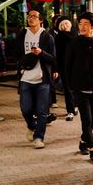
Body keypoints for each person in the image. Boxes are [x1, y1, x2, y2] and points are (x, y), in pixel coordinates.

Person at [65, 12, 93, 162]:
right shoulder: (73, 44)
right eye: (80, 24)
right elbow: (67, 66)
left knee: (92, 118)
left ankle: (83, 142)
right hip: (79, 88)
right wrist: (70, 87)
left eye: (86, 24)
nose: (82, 26)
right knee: (86, 120)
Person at [16, 9, 56, 149]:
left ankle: (39, 137)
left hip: (42, 79)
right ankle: (31, 126)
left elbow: (53, 58)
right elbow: (16, 54)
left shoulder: (46, 37)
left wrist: (41, 53)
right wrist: (19, 68)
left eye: (34, 16)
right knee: (25, 109)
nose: (31, 18)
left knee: (41, 111)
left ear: (41, 20)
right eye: (29, 16)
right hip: (25, 78)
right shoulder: (22, 35)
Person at [54, 16, 76, 121]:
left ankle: (75, 106)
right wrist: (56, 69)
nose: (64, 26)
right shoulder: (58, 38)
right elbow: (56, 54)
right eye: (62, 24)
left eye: (66, 23)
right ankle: (70, 111)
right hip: (64, 66)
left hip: (75, 66)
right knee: (68, 89)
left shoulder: (76, 35)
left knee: (76, 88)